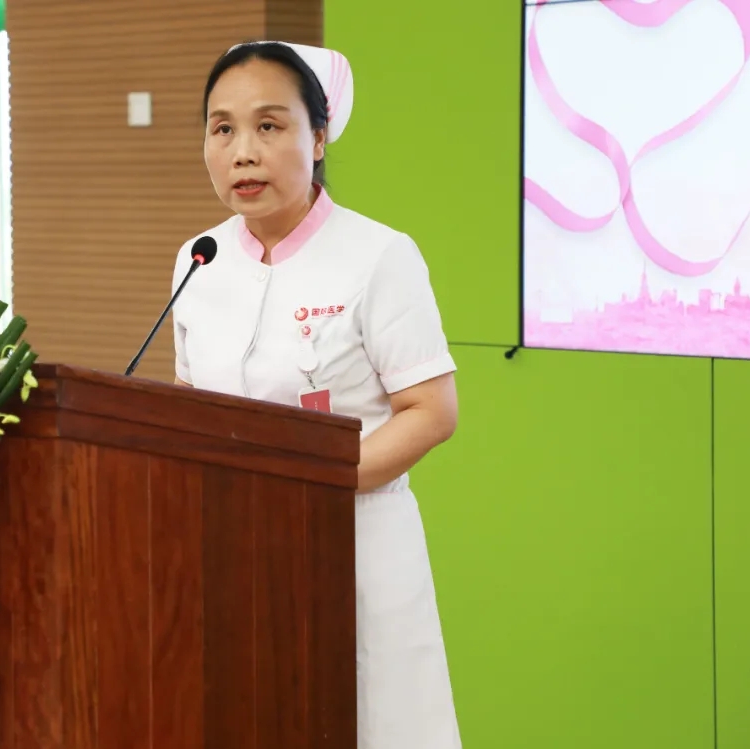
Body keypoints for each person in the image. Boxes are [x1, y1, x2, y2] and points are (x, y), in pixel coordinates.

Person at [171, 40, 462, 749]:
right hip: (231, 549)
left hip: (355, 548)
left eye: (269, 126)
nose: (243, 152)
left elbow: (431, 411)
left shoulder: (379, 255)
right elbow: (187, 408)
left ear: (320, 136)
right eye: (222, 128)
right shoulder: (199, 259)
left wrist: (307, 483)